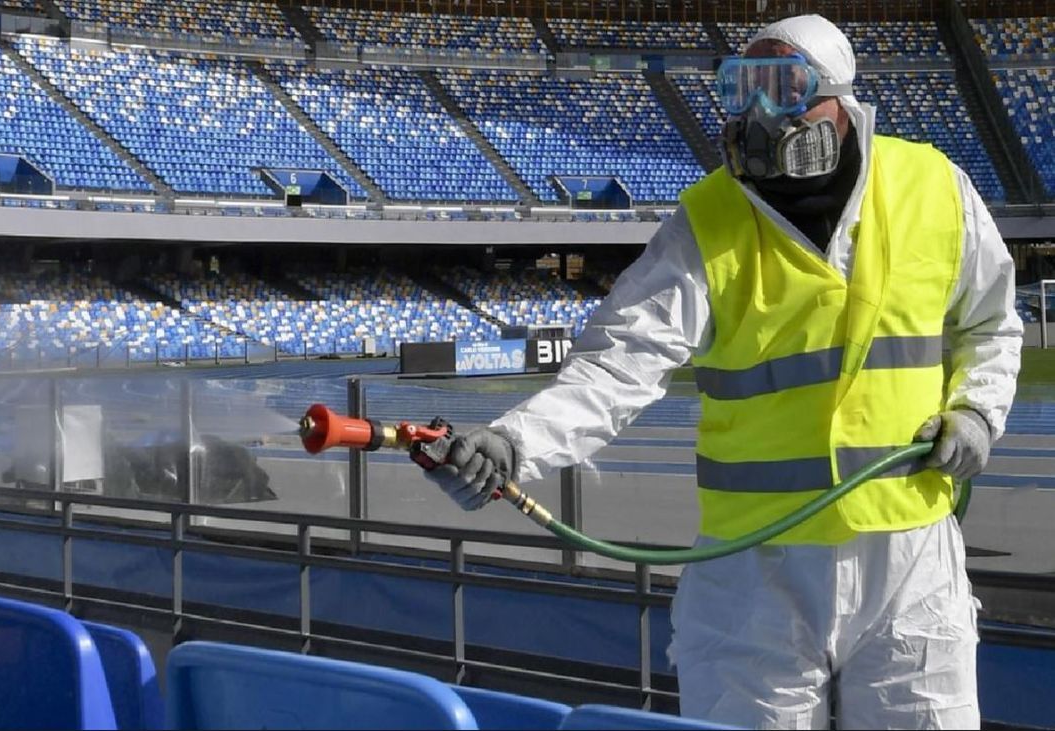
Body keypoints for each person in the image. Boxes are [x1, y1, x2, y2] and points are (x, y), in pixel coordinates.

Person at [425, 14, 1022, 730]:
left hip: (911, 563)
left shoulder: (935, 188)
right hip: (755, 577)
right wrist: (516, 441)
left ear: (842, 101)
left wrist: (977, 411)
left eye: (784, 89)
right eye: (742, 92)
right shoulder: (708, 220)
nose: (760, 115)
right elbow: (618, 363)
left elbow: (990, 321)